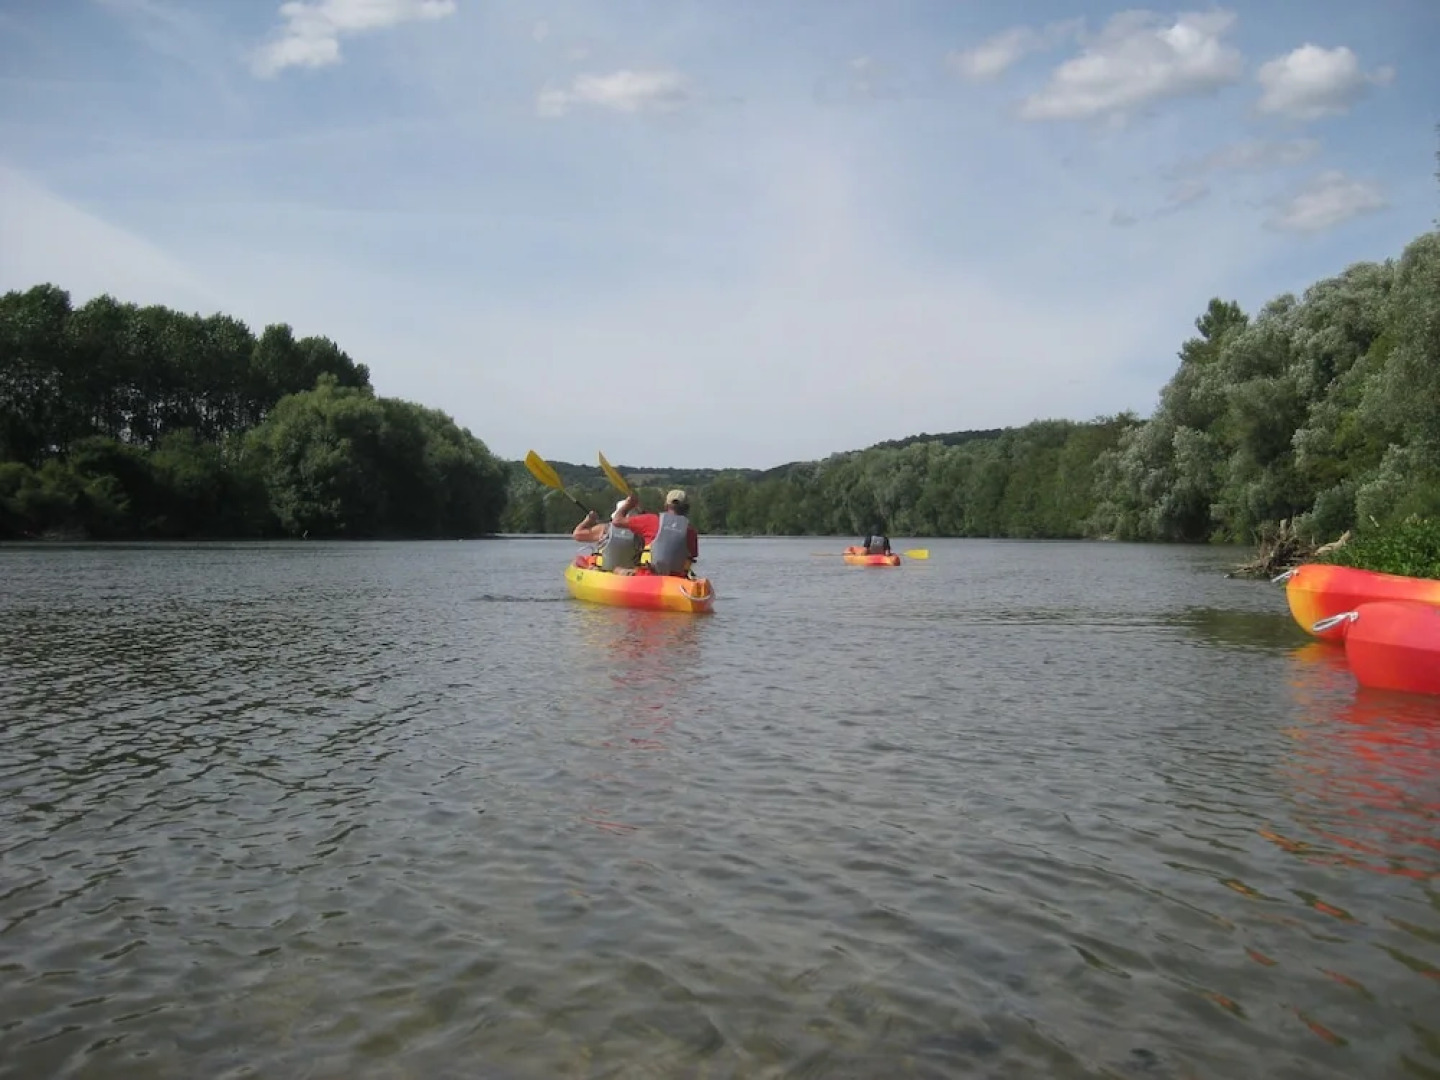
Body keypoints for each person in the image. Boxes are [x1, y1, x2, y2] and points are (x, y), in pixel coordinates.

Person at [611, 489, 699, 577]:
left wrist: (629, 505)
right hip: (677, 581)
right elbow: (690, 557)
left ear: (666, 505)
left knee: (617, 569)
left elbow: (617, 521)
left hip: (648, 576)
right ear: (687, 508)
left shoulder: (651, 520)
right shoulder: (691, 532)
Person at [573, 501, 642, 572]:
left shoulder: (604, 529)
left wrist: (588, 520)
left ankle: (589, 567)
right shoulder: (644, 532)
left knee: (578, 559)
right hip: (632, 569)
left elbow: (577, 535)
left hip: (604, 568)